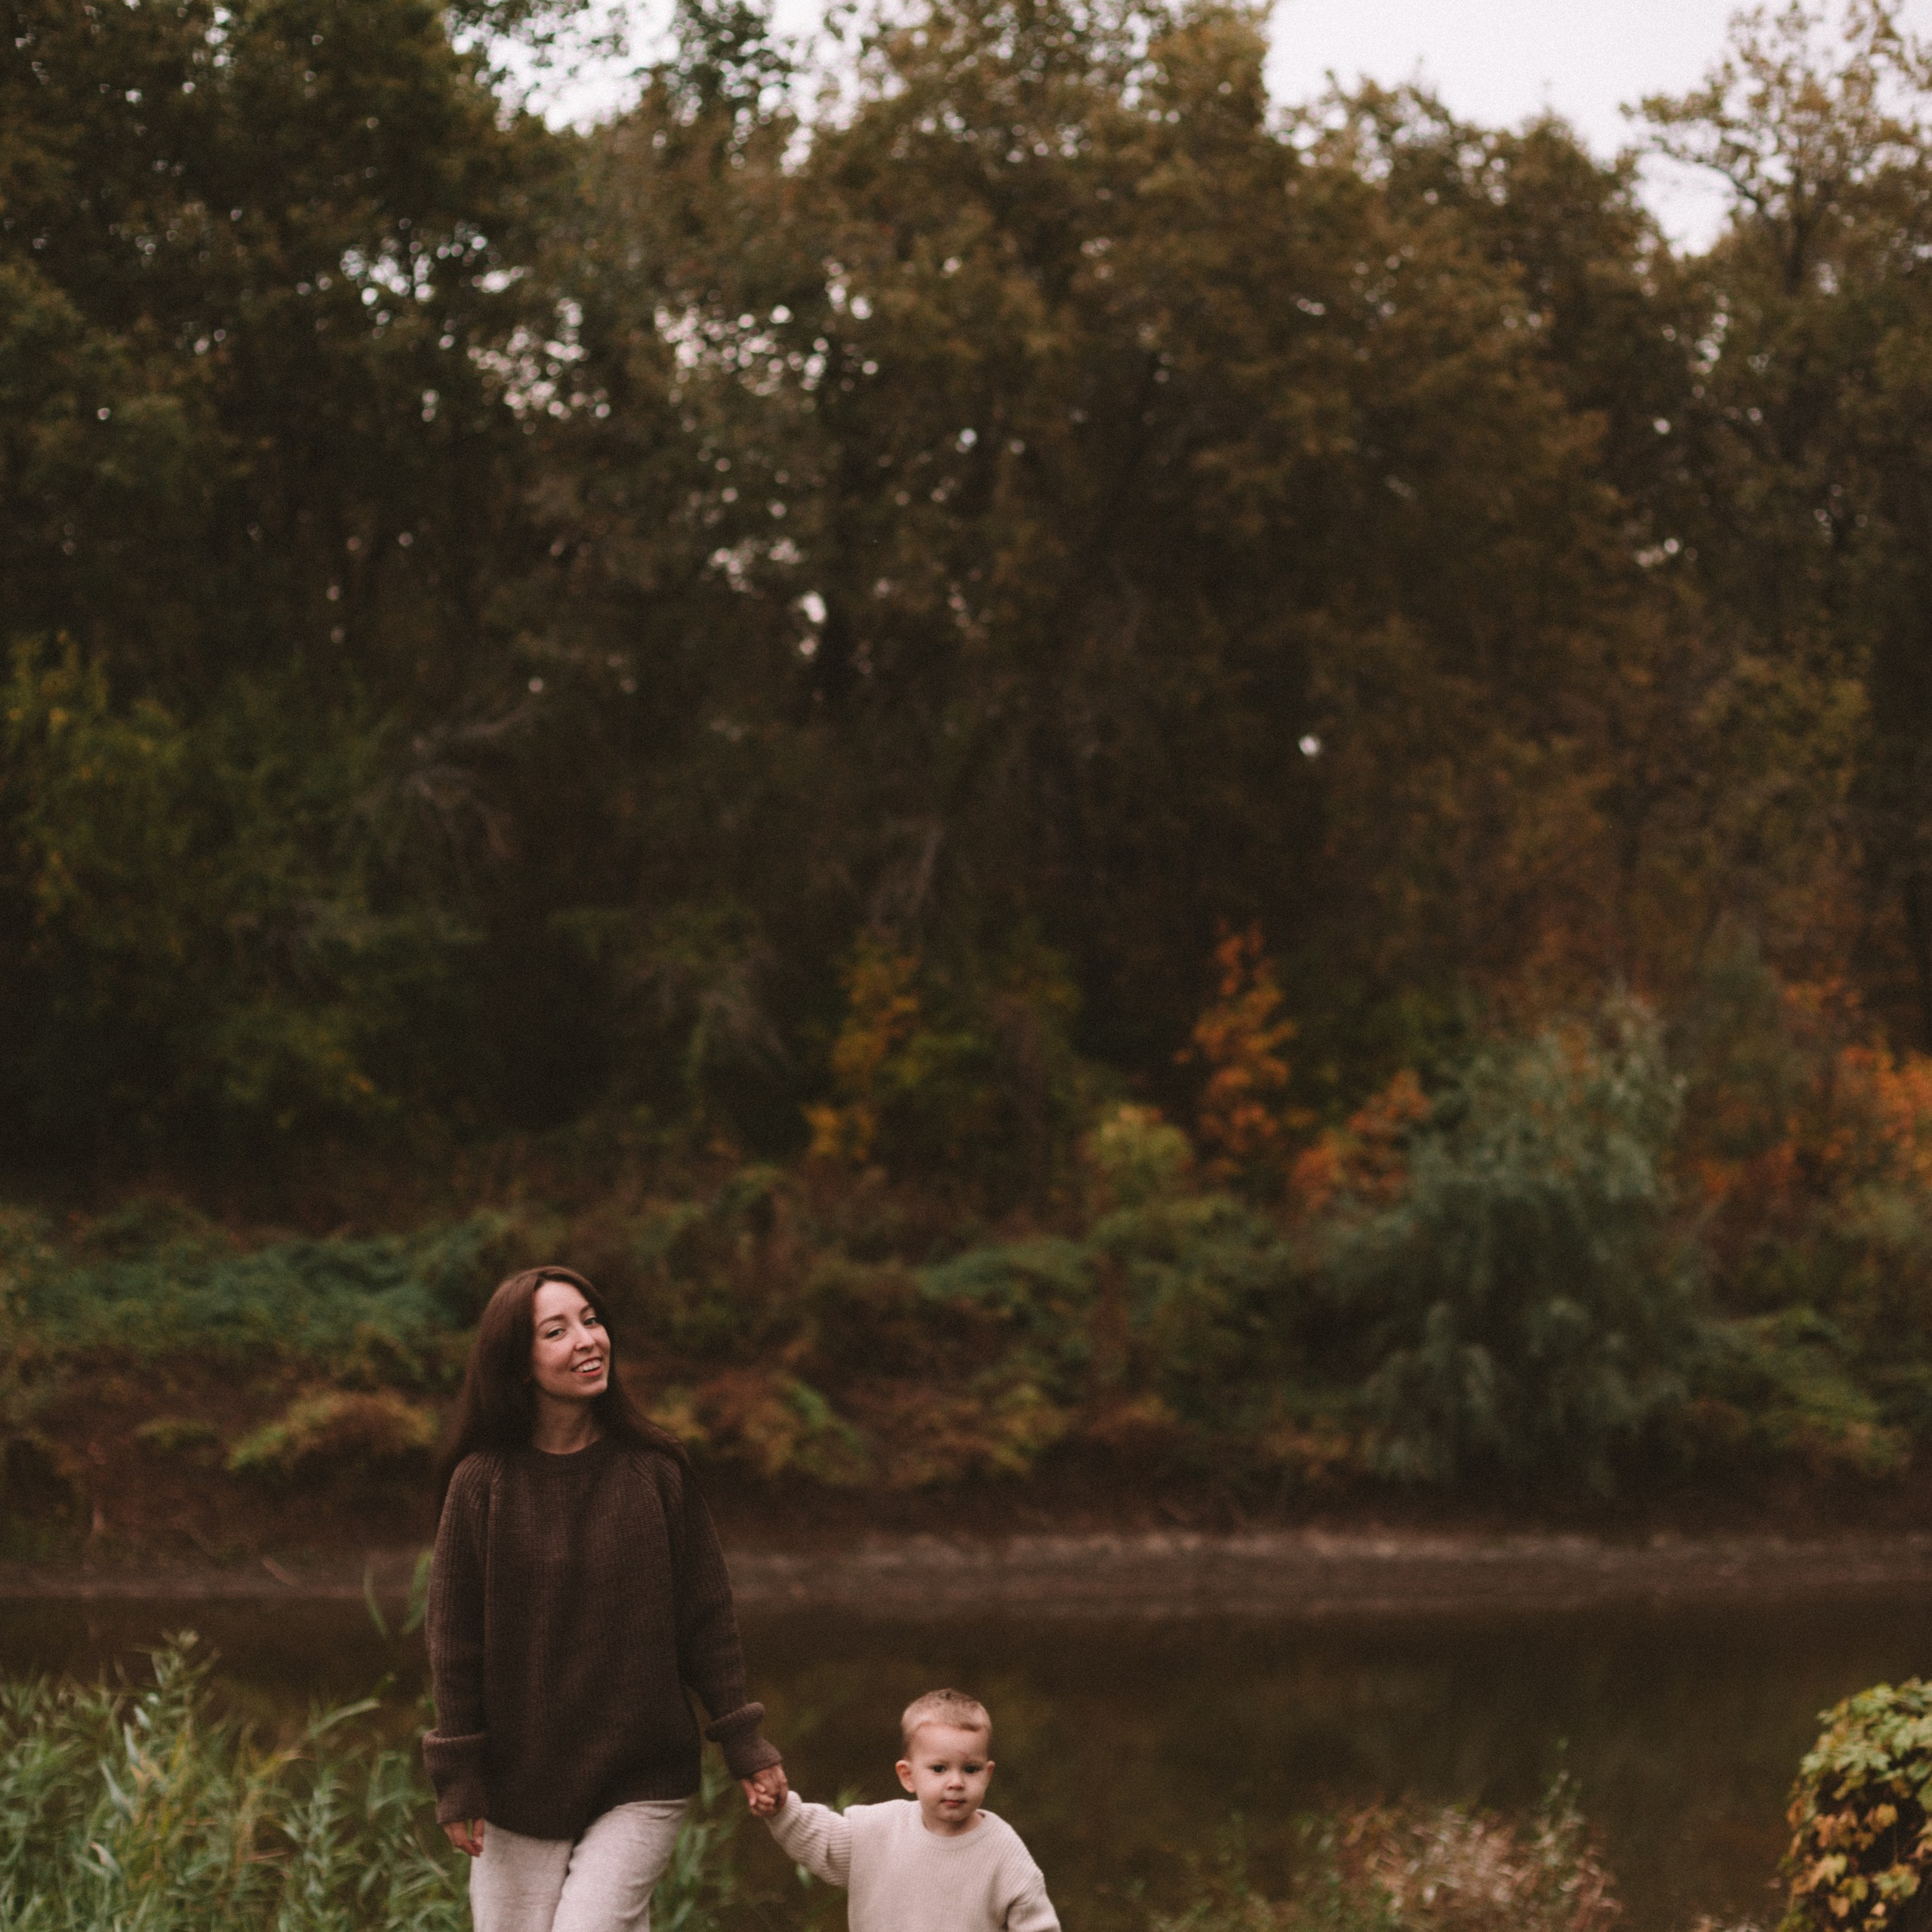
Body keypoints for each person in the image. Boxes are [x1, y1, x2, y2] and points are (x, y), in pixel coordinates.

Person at [424, 1264, 788, 1932]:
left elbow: (706, 1619)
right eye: (556, 1331)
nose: (587, 1340)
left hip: (641, 1774)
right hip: (518, 1780)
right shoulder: (482, 1484)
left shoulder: (655, 1470)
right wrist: (458, 1775)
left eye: (592, 1321)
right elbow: (454, 1644)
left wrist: (744, 1741)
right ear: (519, 1363)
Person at [758, 1688, 1058, 1932]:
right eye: (939, 1769)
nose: (956, 1782)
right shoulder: (877, 1831)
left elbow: (1038, 1925)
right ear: (908, 1776)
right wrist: (781, 1807)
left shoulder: (1002, 1849)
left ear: (988, 1774)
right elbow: (819, 1838)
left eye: (970, 1769)